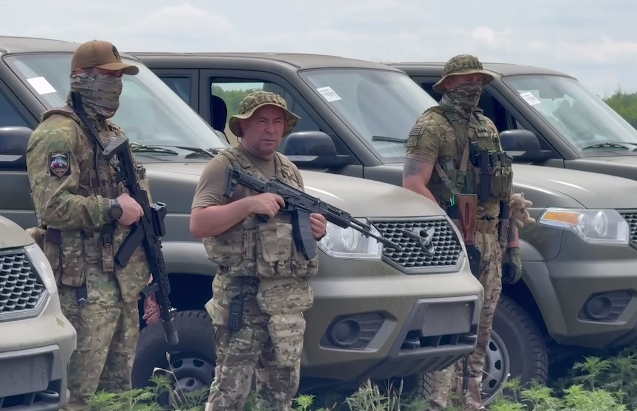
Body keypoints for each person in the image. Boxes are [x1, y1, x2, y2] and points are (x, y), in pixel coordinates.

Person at [24, 40, 160, 411]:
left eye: (119, 78)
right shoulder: (58, 133)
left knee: (118, 395)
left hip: (120, 284)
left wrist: (146, 277)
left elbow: (139, 209)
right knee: (77, 395)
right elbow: (52, 207)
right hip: (82, 287)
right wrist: (112, 209)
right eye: (107, 76)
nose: (116, 86)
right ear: (80, 78)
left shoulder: (111, 133)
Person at [402, 54, 527, 411]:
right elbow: (413, 184)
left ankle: (470, 401)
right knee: (450, 328)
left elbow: (503, 192)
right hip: (456, 239)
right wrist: (451, 234)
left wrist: (512, 244)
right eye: (466, 80)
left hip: (490, 239)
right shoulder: (432, 125)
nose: (474, 86)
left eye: (479, 80)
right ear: (448, 84)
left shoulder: (486, 126)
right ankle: (439, 402)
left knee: (482, 327)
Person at [189, 91, 328, 411]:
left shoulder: (288, 169)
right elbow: (199, 223)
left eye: (277, 122)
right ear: (243, 126)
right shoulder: (223, 166)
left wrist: (315, 229)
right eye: (262, 121)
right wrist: (249, 203)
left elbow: (290, 227)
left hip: (284, 302)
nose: (270, 129)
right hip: (241, 298)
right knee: (231, 391)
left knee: (281, 390)